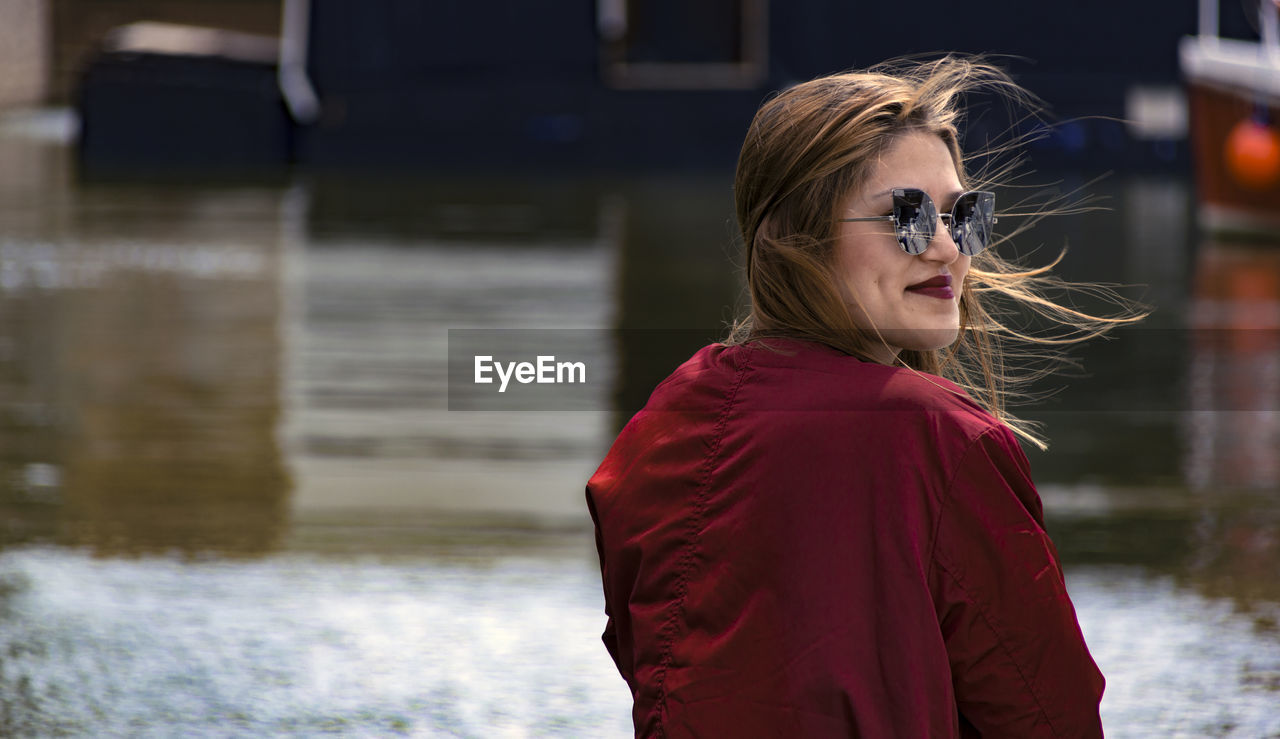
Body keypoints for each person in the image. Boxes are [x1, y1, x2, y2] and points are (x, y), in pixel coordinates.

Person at [586, 56, 1141, 737]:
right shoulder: (944, 443)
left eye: (963, 215)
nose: (946, 249)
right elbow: (1051, 718)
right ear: (798, 237)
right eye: (906, 217)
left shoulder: (659, 429)